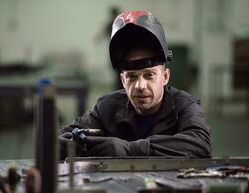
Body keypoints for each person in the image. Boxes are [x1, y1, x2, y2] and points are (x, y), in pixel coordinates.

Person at [59, 10, 211, 159]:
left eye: (149, 75)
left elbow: (201, 144)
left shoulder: (184, 106)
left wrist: (131, 149)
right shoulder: (107, 107)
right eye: (131, 76)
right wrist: (80, 146)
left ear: (165, 77)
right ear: (123, 80)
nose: (140, 86)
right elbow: (59, 141)